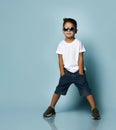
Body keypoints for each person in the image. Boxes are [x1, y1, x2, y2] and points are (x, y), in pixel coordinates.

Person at [43, 18, 100, 120]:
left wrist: (81, 71)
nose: (68, 30)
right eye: (66, 28)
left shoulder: (78, 43)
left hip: (79, 72)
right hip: (66, 73)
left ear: (76, 30)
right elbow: (60, 59)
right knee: (58, 90)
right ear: (62, 30)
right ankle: (51, 107)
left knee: (87, 91)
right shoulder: (61, 44)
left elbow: (80, 57)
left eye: (71, 28)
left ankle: (94, 109)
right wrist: (62, 72)